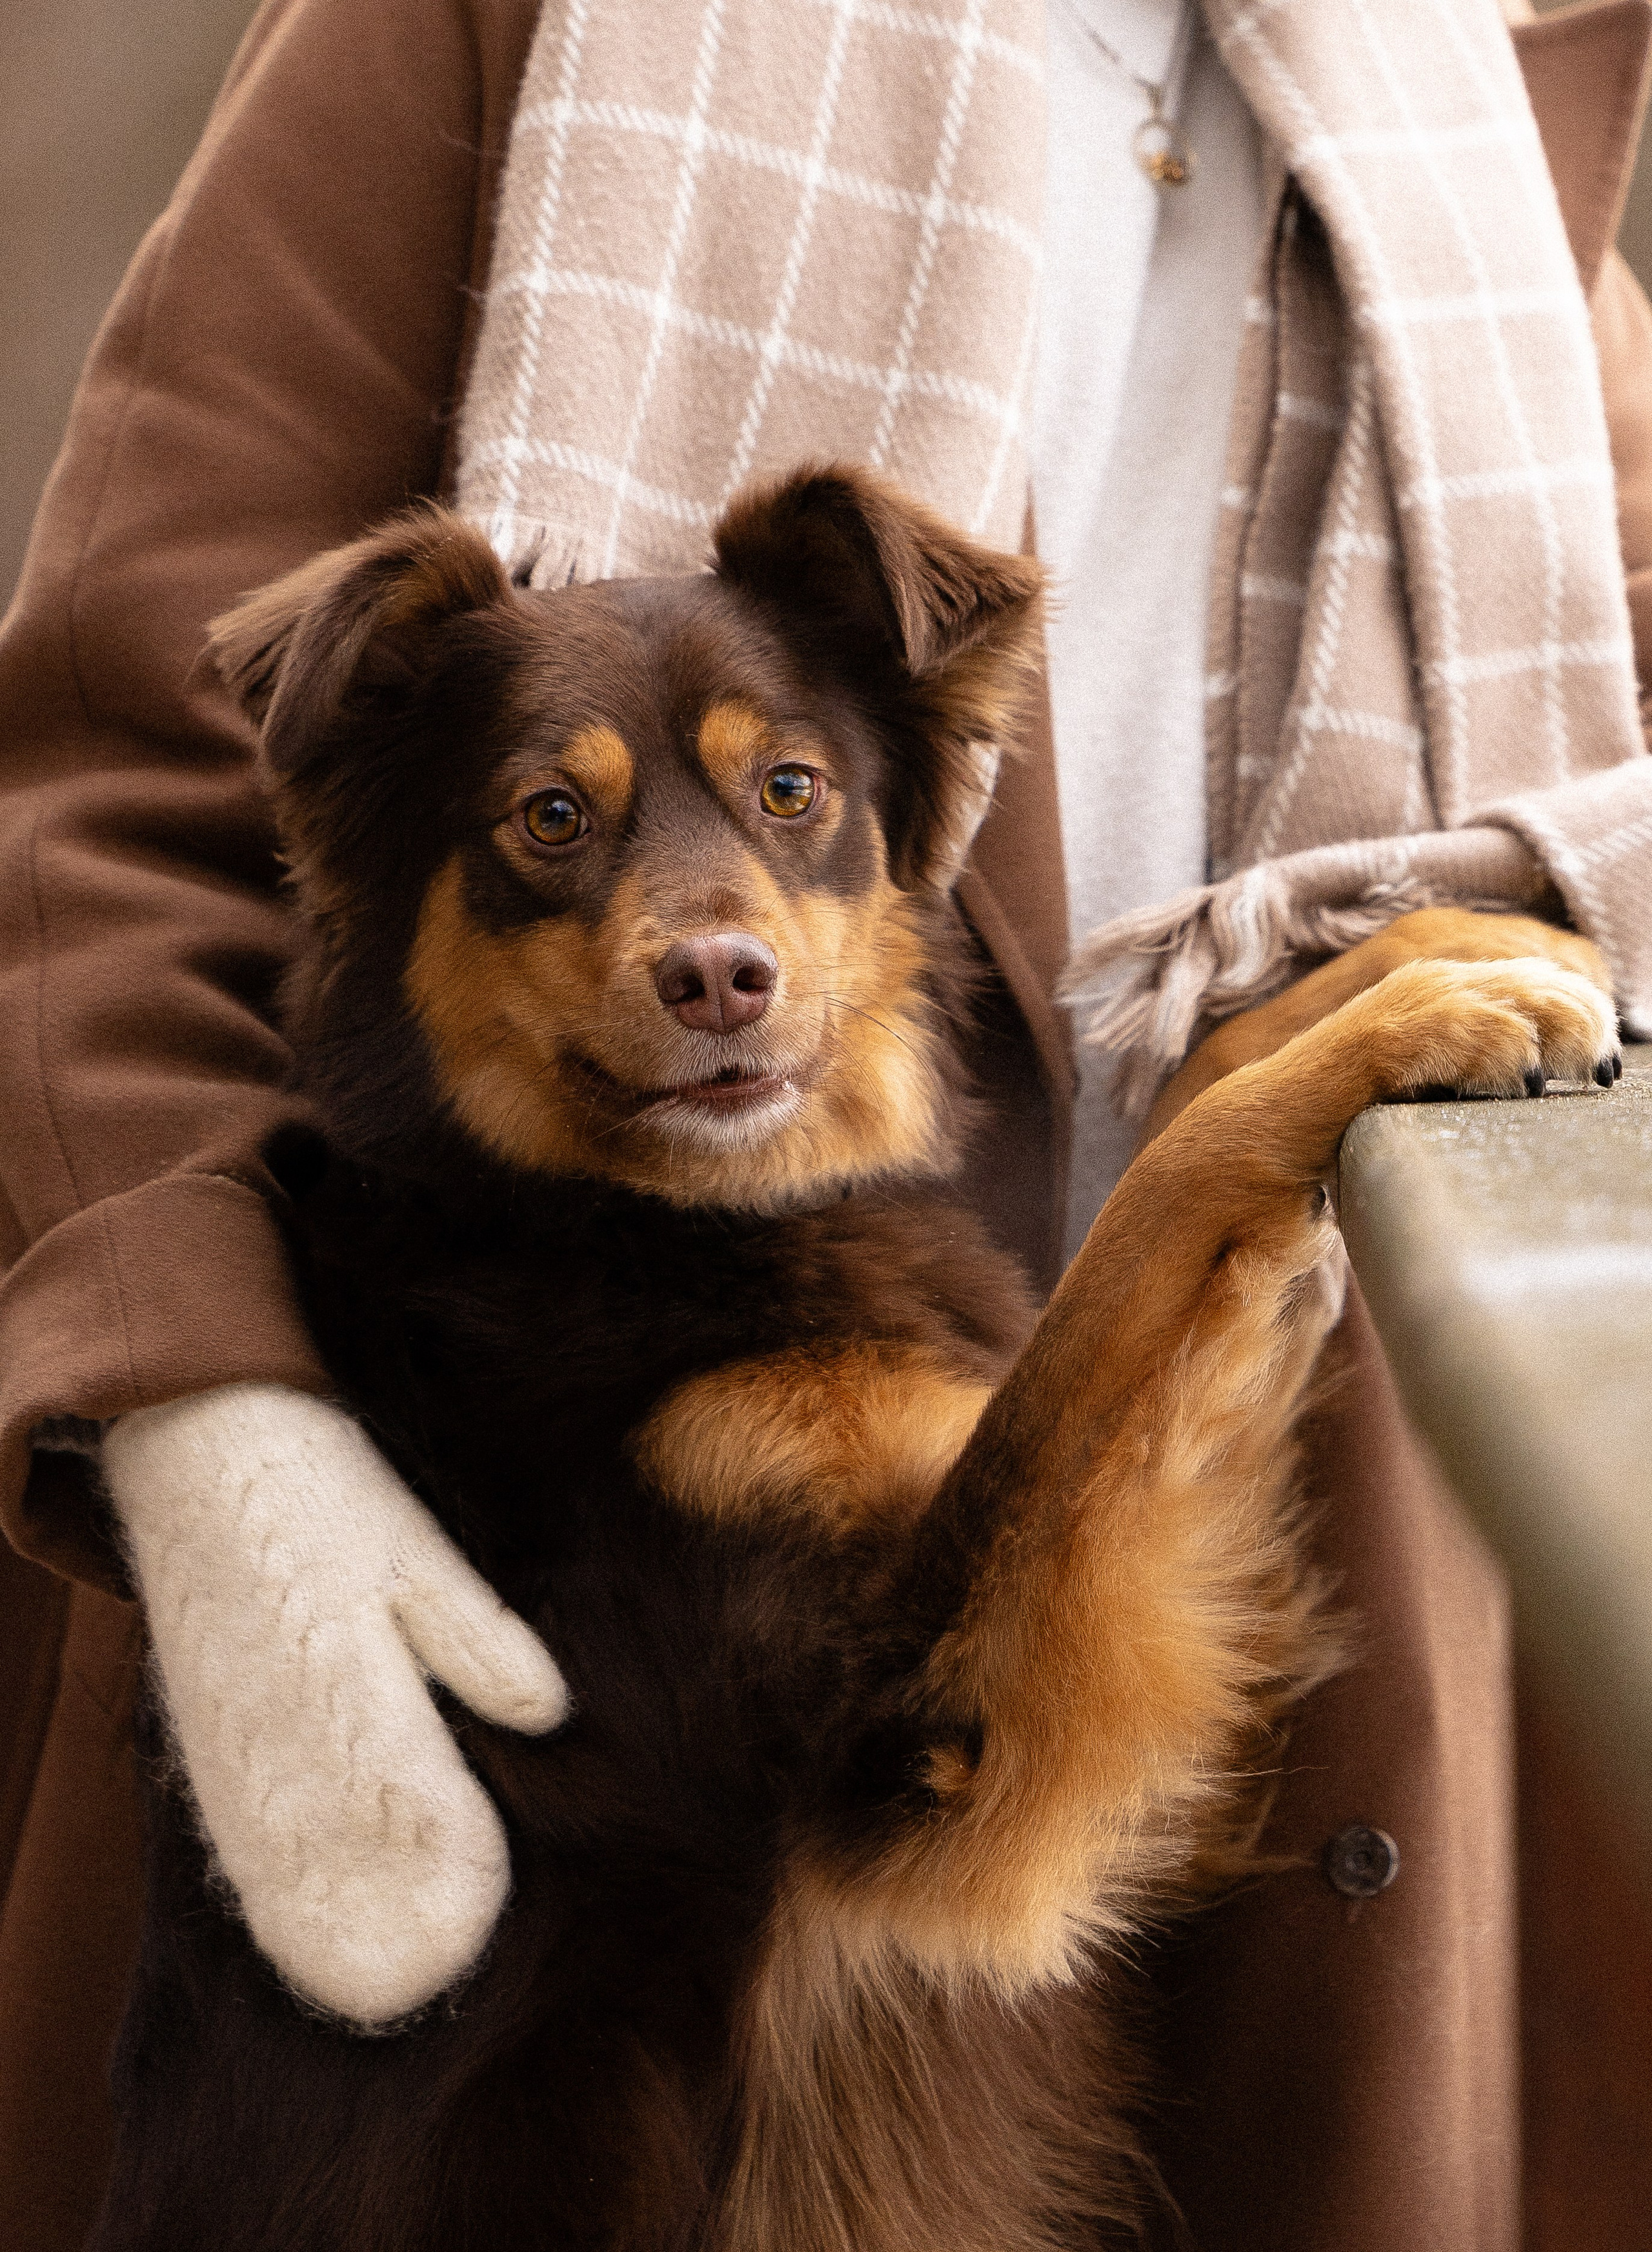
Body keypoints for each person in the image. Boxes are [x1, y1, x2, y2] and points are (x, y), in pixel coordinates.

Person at [3, 0, 1651, 2244]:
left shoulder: (1458, 88)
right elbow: (115, 774)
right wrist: (215, 1430)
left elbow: (1608, 734)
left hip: (1278, 1581)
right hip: (528, 1599)